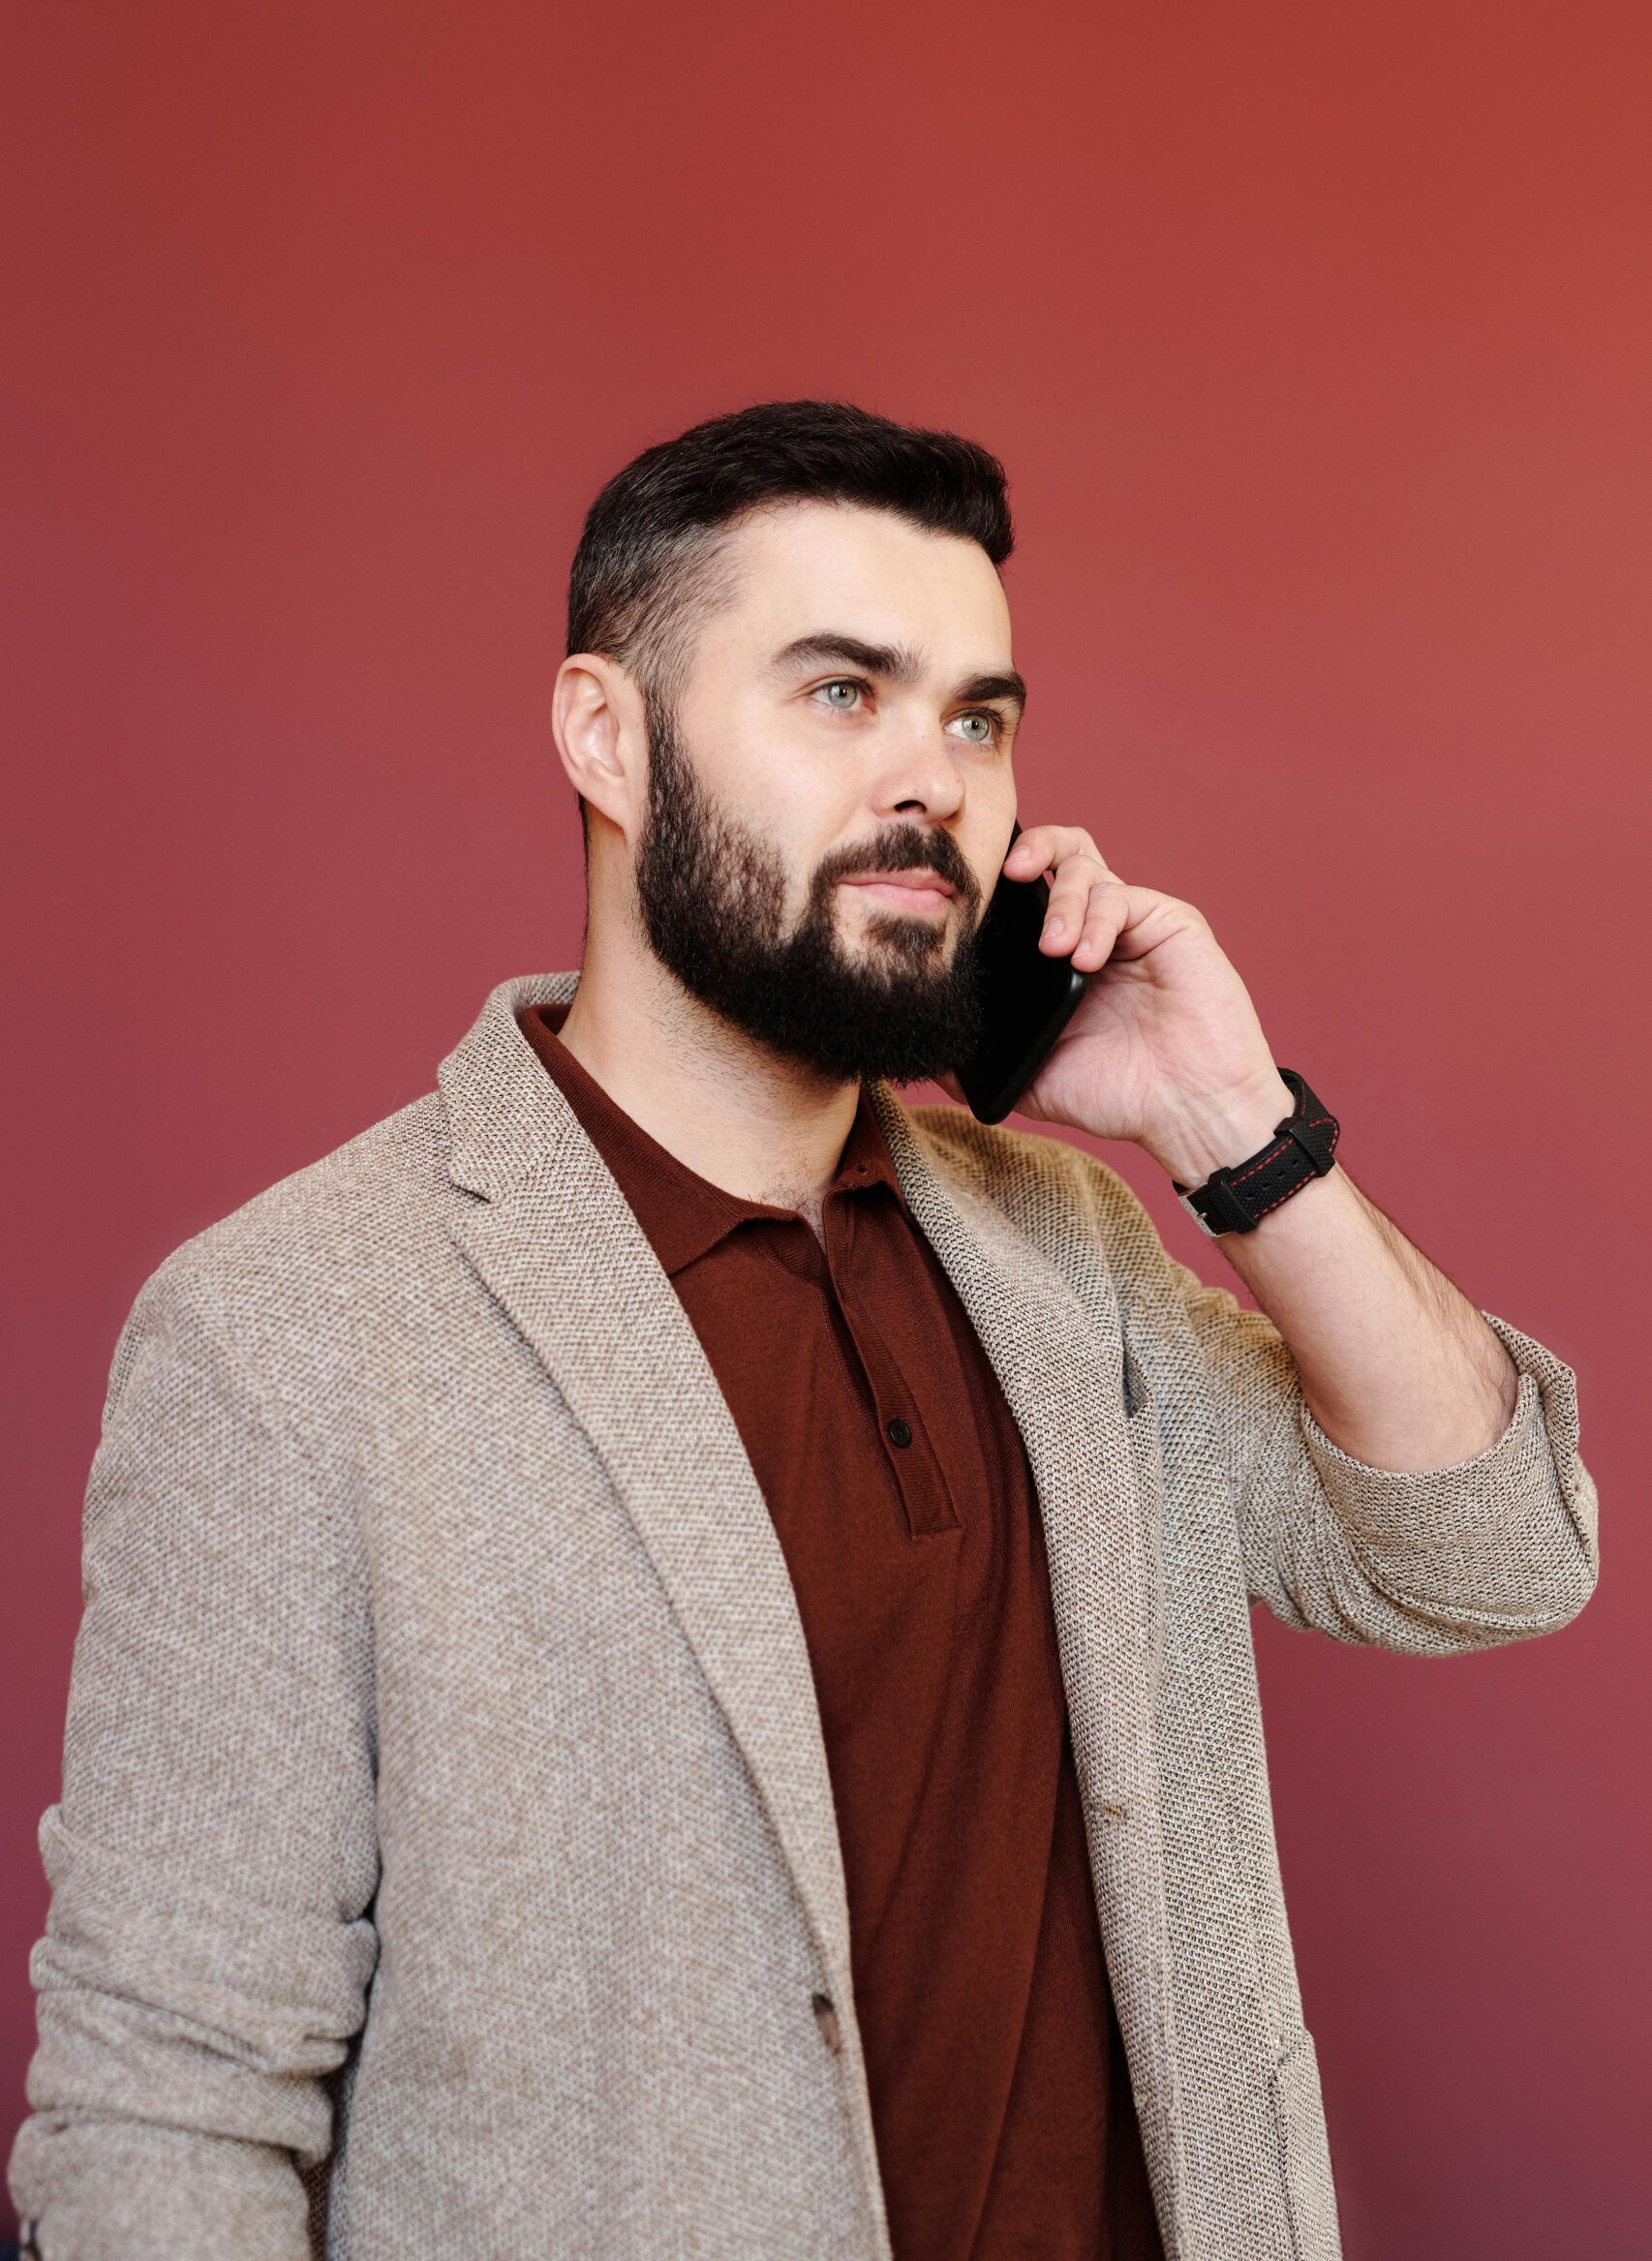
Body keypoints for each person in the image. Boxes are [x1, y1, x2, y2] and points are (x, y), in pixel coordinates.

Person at [11, 401, 1598, 2261]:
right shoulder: (288, 1333)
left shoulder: (1058, 1249)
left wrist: (1233, 1130)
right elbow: (164, 2111)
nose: (930, 780)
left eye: (975, 717)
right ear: (606, 737)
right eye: (840, 694)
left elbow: (1492, 1559)